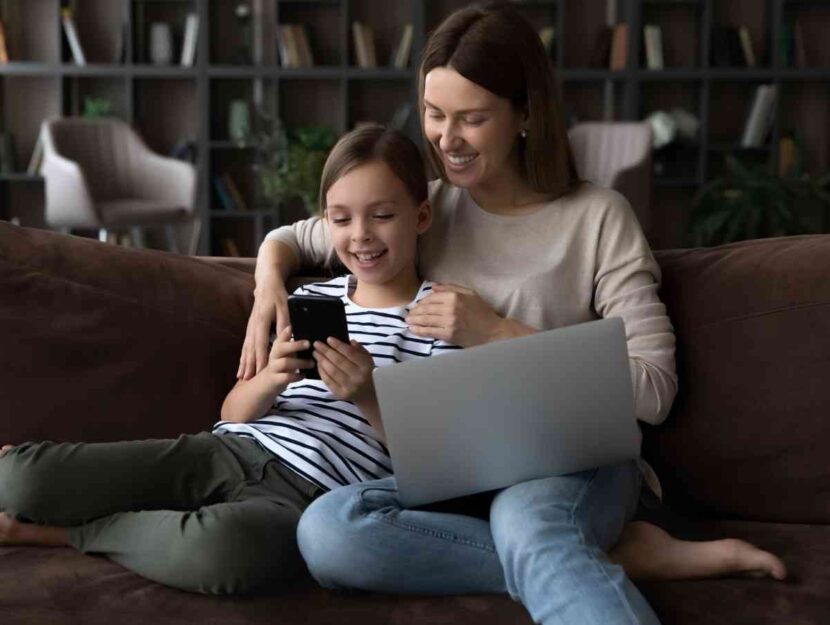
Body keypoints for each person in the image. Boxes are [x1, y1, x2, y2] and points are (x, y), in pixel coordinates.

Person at [238, 2, 786, 623]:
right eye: (434, 114)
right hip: (458, 465)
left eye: (472, 118)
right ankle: (614, 557)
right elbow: (296, 236)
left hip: (568, 460)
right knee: (332, 530)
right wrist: (266, 287)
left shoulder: (597, 218)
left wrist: (497, 333)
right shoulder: (422, 209)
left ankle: (559, 546)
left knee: (528, 522)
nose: (446, 139)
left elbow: (654, 389)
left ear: (525, 114)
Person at [0, 125, 454, 595]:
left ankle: (68, 535)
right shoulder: (314, 298)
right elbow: (232, 413)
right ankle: (127, 523)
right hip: (227, 452)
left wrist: (369, 394)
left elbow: (435, 464)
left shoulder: (441, 318)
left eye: (381, 215)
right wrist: (273, 378)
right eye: (340, 220)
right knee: (18, 480)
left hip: (310, 495)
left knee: (223, 553)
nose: (360, 236)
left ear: (420, 216)